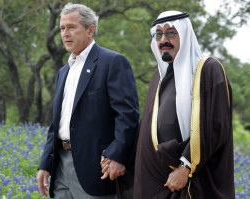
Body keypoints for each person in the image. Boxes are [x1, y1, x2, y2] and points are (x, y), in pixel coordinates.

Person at [36, 3, 139, 199]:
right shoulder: (63, 72)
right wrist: (45, 164)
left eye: (71, 27)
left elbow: (128, 116)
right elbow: (56, 124)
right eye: (62, 28)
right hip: (60, 168)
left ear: (90, 30)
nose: (65, 33)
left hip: (95, 168)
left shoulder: (112, 62)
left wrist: (117, 155)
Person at [134, 11, 234, 198]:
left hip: (192, 181)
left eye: (171, 33)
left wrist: (186, 166)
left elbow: (215, 127)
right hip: (160, 181)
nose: (164, 40)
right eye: (159, 34)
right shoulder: (159, 76)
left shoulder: (208, 70)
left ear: (186, 35)